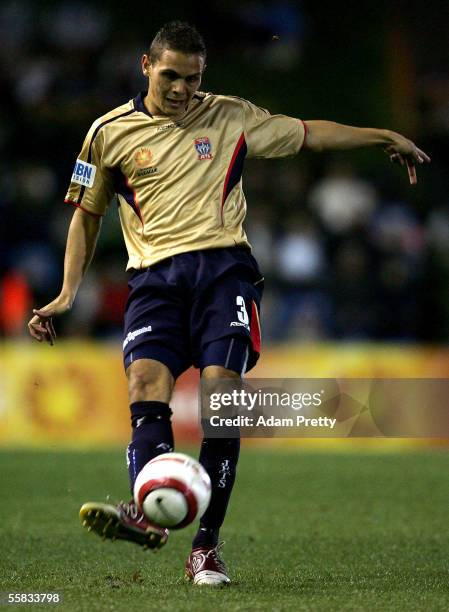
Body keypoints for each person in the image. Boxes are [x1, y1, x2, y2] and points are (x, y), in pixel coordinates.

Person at [27, 21, 430, 586]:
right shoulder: (106, 134)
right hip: (153, 281)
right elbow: (86, 214)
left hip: (224, 272)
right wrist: (67, 294)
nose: (180, 90)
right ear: (146, 65)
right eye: (170, 75)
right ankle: (150, 515)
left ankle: (206, 547)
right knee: (145, 387)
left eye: (192, 79)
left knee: (222, 399)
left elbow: (309, 132)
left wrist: (381, 134)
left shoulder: (230, 115)